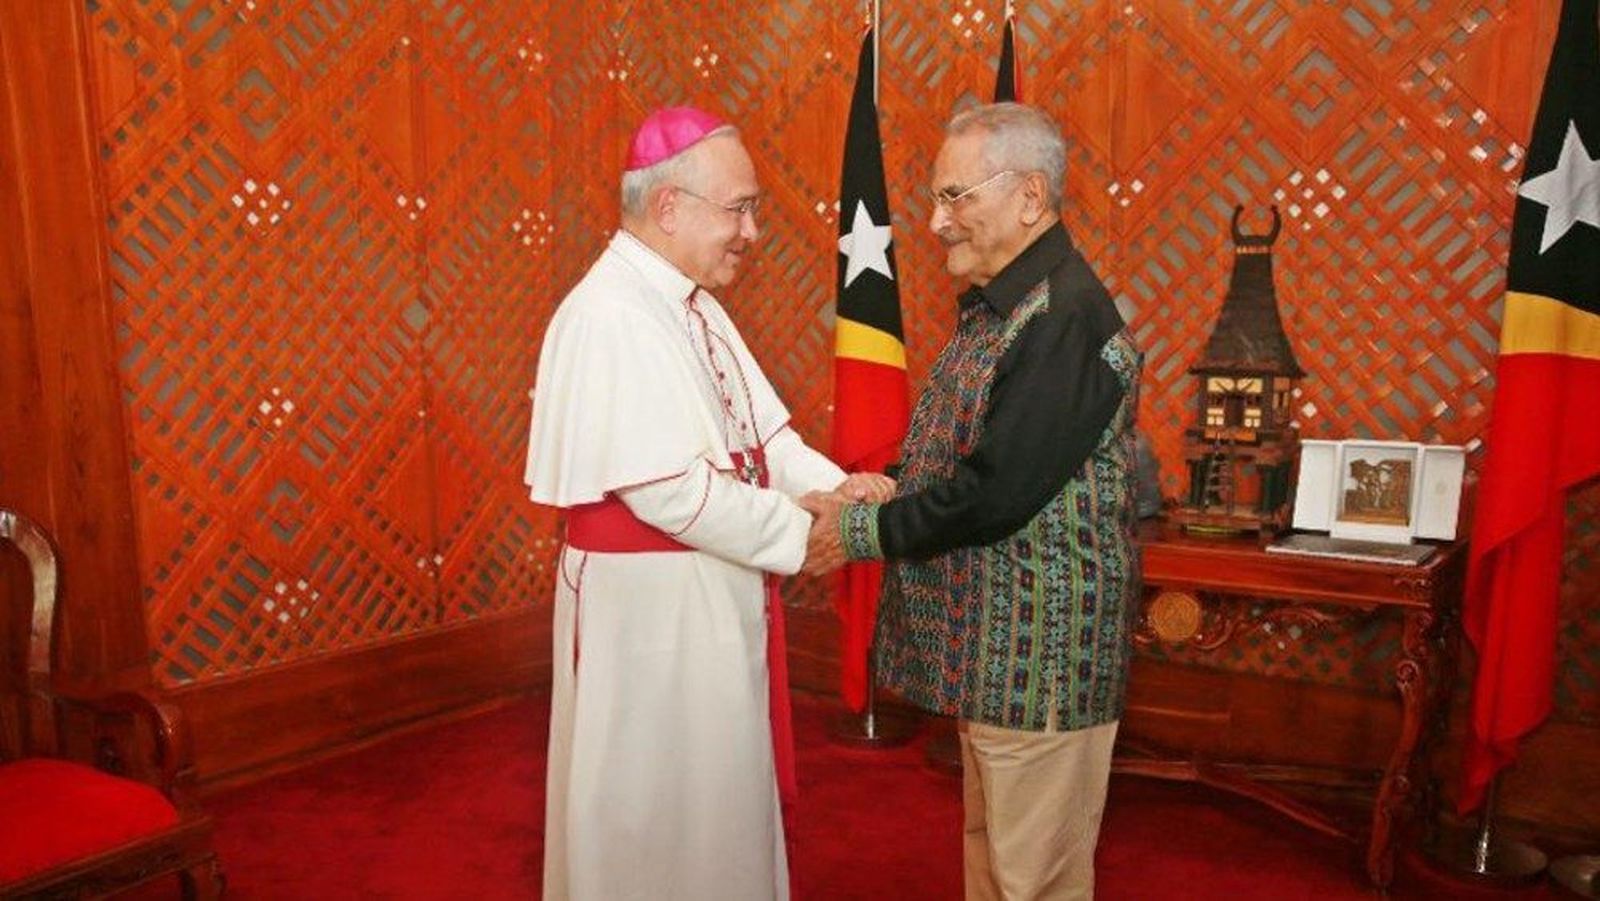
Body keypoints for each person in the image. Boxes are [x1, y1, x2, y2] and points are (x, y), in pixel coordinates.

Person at [524, 106, 891, 901]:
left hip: (707, 598)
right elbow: (669, 491)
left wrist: (839, 488)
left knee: (717, 803)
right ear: (669, 206)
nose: (751, 232)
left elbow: (767, 439)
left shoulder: (696, 306)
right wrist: (808, 534)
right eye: (739, 209)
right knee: (655, 813)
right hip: (649, 620)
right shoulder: (609, 314)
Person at [804, 102, 1143, 900]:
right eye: (937, 198)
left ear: (1029, 196)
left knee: (1032, 881)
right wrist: (893, 485)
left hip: (1043, 671)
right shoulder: (1008, 305)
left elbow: (996, 494)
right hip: (1000, 666)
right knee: (995, 866)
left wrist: (862, 530)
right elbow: (970, 454)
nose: (934, 222)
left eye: (955, 197)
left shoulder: (1062, 317)